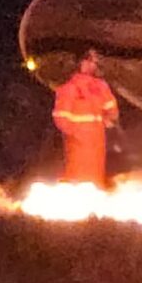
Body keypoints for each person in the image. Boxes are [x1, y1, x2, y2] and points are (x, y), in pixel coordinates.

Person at [51, 51, 119, 186]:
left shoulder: (68, 88)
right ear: (83, 62)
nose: (95, 65)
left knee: (79, 176)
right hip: (94, 140)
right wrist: (106, 120)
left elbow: (60, 118)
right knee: (93, 175)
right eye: (93, 62)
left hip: (80, 142)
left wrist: (76, 133)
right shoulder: (100, 86)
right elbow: (113, 112)